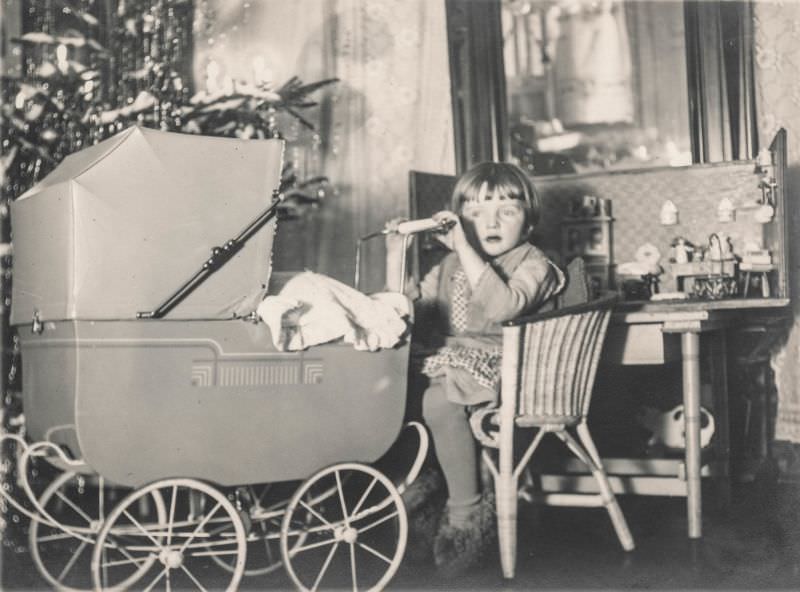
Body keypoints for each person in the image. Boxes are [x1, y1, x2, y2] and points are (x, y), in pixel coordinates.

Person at [385, 162, 565, 575]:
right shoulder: (447, 267)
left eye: (507, 209)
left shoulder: (534, 263)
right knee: (387, 388)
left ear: (530, 220)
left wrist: (464, 249)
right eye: (477, 212)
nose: (492, 221)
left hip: (508, 366)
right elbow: (402, 309)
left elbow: (503, 308)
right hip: (451, 360)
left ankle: (465, 511)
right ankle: (417, 486)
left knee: (437, 400)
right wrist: (397, 253)